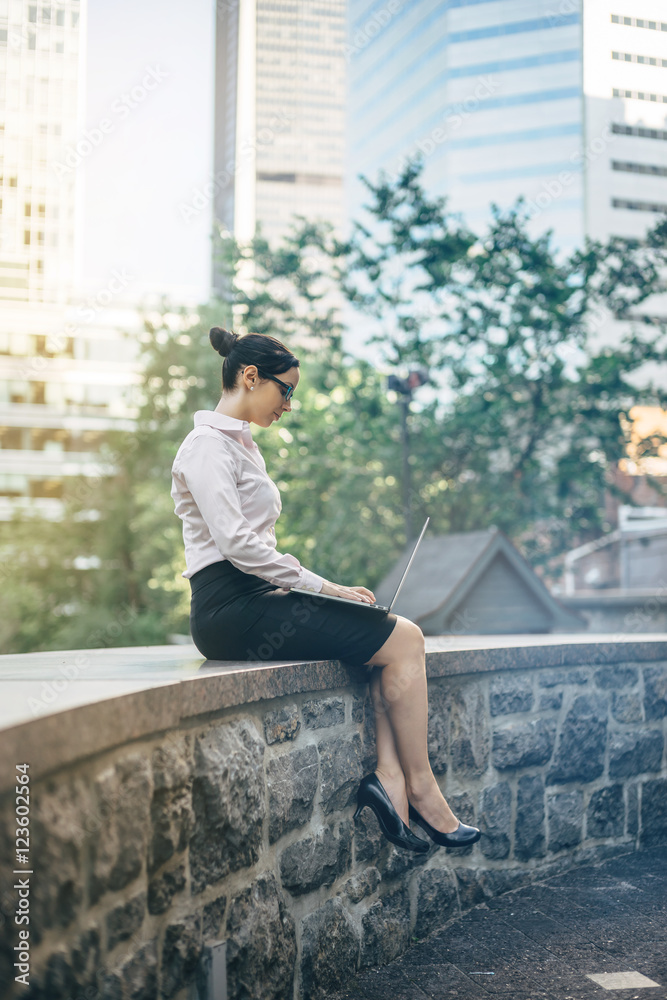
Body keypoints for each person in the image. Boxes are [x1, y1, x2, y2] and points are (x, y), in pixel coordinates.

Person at [171, 326, 481, 852]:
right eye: (285, 390)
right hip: (229, 608)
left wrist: (322, 593)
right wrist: (325, 587)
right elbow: (239, 546)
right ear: (251, 377)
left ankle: (391, 779)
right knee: (405, 639)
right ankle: (421, 787)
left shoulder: (241, 447)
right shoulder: (205, 447)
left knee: (379, 645)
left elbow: (256, 549)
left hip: (255, 599)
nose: (289, 404)